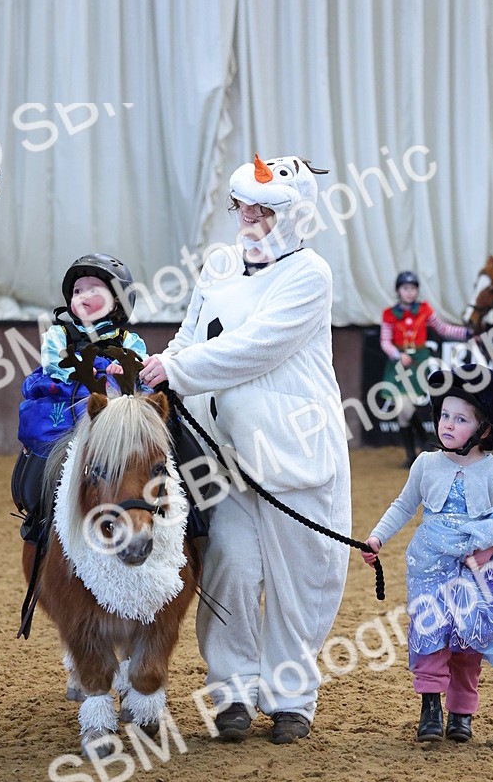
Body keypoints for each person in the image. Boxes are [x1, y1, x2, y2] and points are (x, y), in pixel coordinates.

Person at [139, 153, 351, 745]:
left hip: (293, 451)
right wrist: (163, 364)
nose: (247, 216)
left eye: (261, 208)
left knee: (296, 583)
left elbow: (257, 348)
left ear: (292, 213)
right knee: (229, 565)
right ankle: (231, 692)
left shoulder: (311, 274)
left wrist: (175, 372)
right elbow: (190, 332)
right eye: (243, 205)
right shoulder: (219, 265)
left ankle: (292, 700)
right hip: (220, 451)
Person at [361, 364, 493, 744]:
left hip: (477, 570)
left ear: (484, 430)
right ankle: (430, 707)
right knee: (430, 634)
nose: (447, 423)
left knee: (467, 642)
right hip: (429, 566)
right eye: (444, 414)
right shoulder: (426, 464)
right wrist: (377, 538)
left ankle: (461, 713)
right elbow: (404, 506)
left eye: (460, 418)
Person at [13, 254, 147, 543]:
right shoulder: (58, 334)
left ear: (118, 302)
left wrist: (125, 369)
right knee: (45, 446)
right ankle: (41, 512)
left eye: (93, 290)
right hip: (67, 401)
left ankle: (177, 515)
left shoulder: (130, 341)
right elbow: (56, 365)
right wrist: (100, 367)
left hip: (113, 413)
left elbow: (140, 368)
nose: (82, 296)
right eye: (77, 291)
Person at [380, 271, 471, 466]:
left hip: (419, 363)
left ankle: (414, 452)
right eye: (405, 288)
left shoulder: (424, 309)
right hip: (399, 365)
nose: (410, 292)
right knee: (402, 408)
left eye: (413, 288)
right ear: (398, 291)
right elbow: (385, 341)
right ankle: (419, 446)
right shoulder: (389, 314)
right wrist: (397, 355)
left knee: (407, 407)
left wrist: (467, 333)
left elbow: (443, 329)